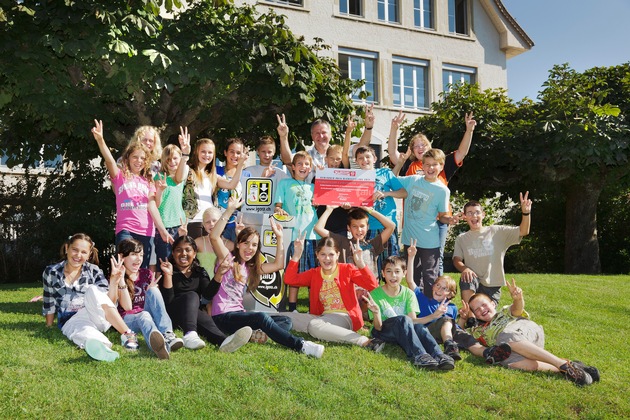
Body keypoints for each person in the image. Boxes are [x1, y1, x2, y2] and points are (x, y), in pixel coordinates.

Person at [210, 197, 325, 358]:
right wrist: (229, 210)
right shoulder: (227, 258)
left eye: (254, 245)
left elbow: (278, 265)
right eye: (246, 243)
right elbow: (214, 237)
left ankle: (252, 335)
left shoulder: (250, 267)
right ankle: (301, 345)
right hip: (223, 317)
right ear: (238, 244)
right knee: (261, 317)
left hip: (239, 315)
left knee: (286, 321)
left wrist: (279, 238)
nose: (250, 248)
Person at [459, 279, 600, 386]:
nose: (482, 309)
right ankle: (572, 368)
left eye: (484, 304)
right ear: (476, 316)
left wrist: (518, 299)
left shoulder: (504, 312)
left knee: (505, 335)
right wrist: (463, 318)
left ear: (493, 304)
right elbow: (458, 332)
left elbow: (516, 310)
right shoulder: (477, 331)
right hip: (513, 350)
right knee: (511, 363)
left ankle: (562, 364)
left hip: (525, 332)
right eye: (477, 309)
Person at [390, 111, 477, 275]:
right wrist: (394, 128)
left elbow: (462, 152)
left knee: (435, 259)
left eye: (423, 144)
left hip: (439, 219)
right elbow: (393, 153)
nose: (420, 147)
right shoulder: (409, 167)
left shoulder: (439, 163)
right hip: (415, 223)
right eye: (416, 145)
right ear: (413, 151)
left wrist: (469, 131)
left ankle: (437, 293)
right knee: (413, 263)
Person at [42, 233, 139, 362]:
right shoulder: (51, 272)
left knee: (94, 290)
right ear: (67, 248)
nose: (78, 255)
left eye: (83, 252)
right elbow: (49, 299)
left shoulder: (94, 271)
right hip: (71, 319)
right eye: (75, 250)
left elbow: (108, 301)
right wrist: (49, 325)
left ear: (89, 255)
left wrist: (114, 281)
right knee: (84, 333)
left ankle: (128, 334)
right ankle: (104, 347)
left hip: (97, 314)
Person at [91, 119, 172, 268]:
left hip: (146, 231)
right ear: (127, 158)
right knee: (123, 268)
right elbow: (109, 160)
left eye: (142, 158)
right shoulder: (120, 176)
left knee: (141, 271)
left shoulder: (148, 181)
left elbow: (154, 205)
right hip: (126, 229)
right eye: (135, 157)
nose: (139, 161)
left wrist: (162, 230)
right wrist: (101, 140)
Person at [283, 236, 384, 351]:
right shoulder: (314, 273)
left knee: (314, 326)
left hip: (345, 317)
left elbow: (373, 285)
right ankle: (259, 324)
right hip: (322, 317)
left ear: (337, 255)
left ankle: (365, 341)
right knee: (284, 316)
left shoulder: (347, 269)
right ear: (317, 255)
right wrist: (296, 255)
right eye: (323, 254)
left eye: (331, 254)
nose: (327, 259)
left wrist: (361, 264)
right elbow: (289, 279)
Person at [160, 235, 253, 352]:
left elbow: (208, 295)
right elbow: (168, 301)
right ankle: (189, 335)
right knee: (192, 295)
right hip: (172, 314)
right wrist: (168, 274)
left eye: (188, 250)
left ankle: (224, 341)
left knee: (203, 318)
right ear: (173, 254)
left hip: (191, 315)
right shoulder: (168, 270)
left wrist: (219, 274)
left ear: (194, 254)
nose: (183, 253)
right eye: (179, 250)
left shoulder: (199, 272)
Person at [363, 255, 455, 370]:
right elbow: (378, 328)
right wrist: (376, 313)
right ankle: (420, 355)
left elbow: (414, 321)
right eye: (389, 271)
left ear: (404, 273)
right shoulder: (375, 294)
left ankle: (439, 354)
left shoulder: (409, 294)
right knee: (403, 319)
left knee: (420, 327)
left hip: (404, 332)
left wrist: (434, 316)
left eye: (397, 271)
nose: (393, 275)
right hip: (384, 332)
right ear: (383, 273)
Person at [397, 149, 457, 297]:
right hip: (410, 239)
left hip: (429, 242)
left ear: (441, 167)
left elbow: (442, 216)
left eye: (434, 165)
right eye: (427, 164)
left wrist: (450, 219)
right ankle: (417, 308)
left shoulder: (442, 190)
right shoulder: (413, 180)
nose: (430, 168)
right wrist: (400, 163)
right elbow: (392, 179)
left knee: (430, 278)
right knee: (413, 276)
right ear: (421, 166)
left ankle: (432, 307)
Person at [453, 192, 532, 304]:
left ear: (483, 214)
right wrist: (464, 269)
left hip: (493, 285)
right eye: (470, 213)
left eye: (477, 212)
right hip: (473, 281)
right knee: (466, 278)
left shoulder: (497, 231)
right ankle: (469, 316)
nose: (474, 216)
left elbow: (523, 231)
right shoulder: (461, 238)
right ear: (464, 217)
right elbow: (456, 260)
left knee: (486, 316)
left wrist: (526, 213)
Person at [115, 238, 184, 359]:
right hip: (128, 319)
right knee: (144, 315)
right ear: (122, 257)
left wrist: (152, 291)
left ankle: (167, 334)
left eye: (141, 255)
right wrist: (120, 279)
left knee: (153, 290)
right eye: (133, 254)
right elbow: (127, 307)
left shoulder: (146, 273)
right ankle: (158, 347)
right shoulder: (116, 276)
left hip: (146, 313)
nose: (139, 259)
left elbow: (161, 301)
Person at [274, 151, 320, 312]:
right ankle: (292, 307)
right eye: (299, 164)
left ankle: (312, 307)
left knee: (313, 272)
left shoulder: (315, 187)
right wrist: (280, 211)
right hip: (294, 235)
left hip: (313, 235)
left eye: (306, 164)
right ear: (293, 167)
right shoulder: (284, 184)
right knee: (295, 270)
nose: (303, 167)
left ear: (310, 168)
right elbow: (277, 206)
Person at [404, 239, 461, 360]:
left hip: (442, 334)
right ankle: (449, 345)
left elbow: (454, 326)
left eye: (444, 288)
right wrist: (411, 257)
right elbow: (410, 281)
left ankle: (450, 345)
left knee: (448, 320)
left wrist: (465, 318)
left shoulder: (452, 308)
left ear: (450, 294)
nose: (439, 290)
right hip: (424, 331)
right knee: (446, 319)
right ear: (433, 286)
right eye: (438, 285)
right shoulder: (422, 298)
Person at [355, 145, 407, 272]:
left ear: (374, 158)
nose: (364, 160)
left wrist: (387, 193)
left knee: (392, 263)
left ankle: (392, 290)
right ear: (356, 161)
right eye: (360, 158)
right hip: (368, 227)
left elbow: (404, 193)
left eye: (367, 157)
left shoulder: (385, 173)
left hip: (387, 225)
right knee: (370, 264)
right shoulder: (354, 178)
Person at [186, 137, 247, 239]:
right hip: (193, 220)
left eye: (210, 152)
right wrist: (184, 154)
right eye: (203, 152)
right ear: (197, 152)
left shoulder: (212, 174)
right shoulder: (188, 171)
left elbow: (232, 185)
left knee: (209, 253)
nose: (207, 155)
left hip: (210, 221)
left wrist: (240, 165)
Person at [314, 205, 395, 276]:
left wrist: (370, 210)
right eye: (354, 226)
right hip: (350, 291)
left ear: (368, 227)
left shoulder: (373, 244)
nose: (359, 230)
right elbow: (318, 228)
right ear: (349, 228)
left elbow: (391, 226)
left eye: (362, 226)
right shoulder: (342, 242)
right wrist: (329, 209)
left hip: (370, 290)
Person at [152, 127, 191, 271]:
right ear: (163, 161)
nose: (172, 162)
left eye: (175, 158)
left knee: (180, 262)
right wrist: (160, 190)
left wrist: (185, 153)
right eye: (168, 160)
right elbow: (157, 203)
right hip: (164, 227)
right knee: (165, 262)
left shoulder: (182, 173)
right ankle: (164, 291)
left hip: (179, 225)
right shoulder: (159, 177)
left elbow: (179, 177)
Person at [241, 136, 289, 216]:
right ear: (258, 152)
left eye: (269, 152)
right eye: (263, 151)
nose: (266, 155)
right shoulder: (248, 171)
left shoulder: (280, 173)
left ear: (274, 152)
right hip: (251, 215)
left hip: (272, 216)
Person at [216, 138, 249, 242]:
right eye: (232, 152)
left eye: (238, 153)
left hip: (237, 224)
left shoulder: (247, 175)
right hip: (217, 221)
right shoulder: (216, 171)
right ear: (225, 153)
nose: (235, 156)